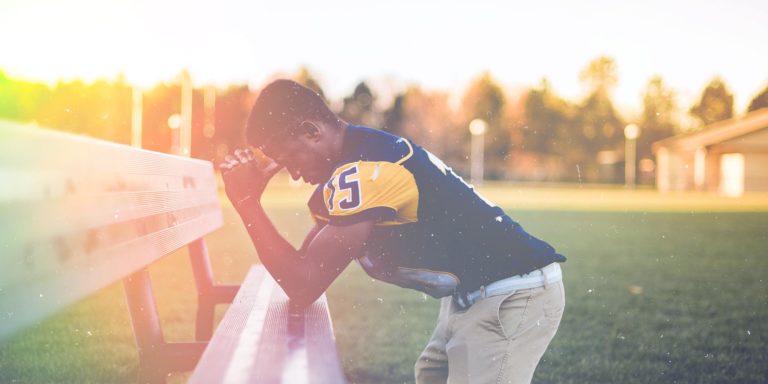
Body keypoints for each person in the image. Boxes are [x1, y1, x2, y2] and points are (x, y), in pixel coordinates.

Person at [219, 79, 566, 384]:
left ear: (312, 131)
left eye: (289, 158)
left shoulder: (366, 170)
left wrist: (248, 205)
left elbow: (304, 283)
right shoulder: (356, 160)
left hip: (512, 294)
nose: (293, 174)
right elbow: (303, 267)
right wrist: (249, 204)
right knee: (432, 375)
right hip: (477, 292)